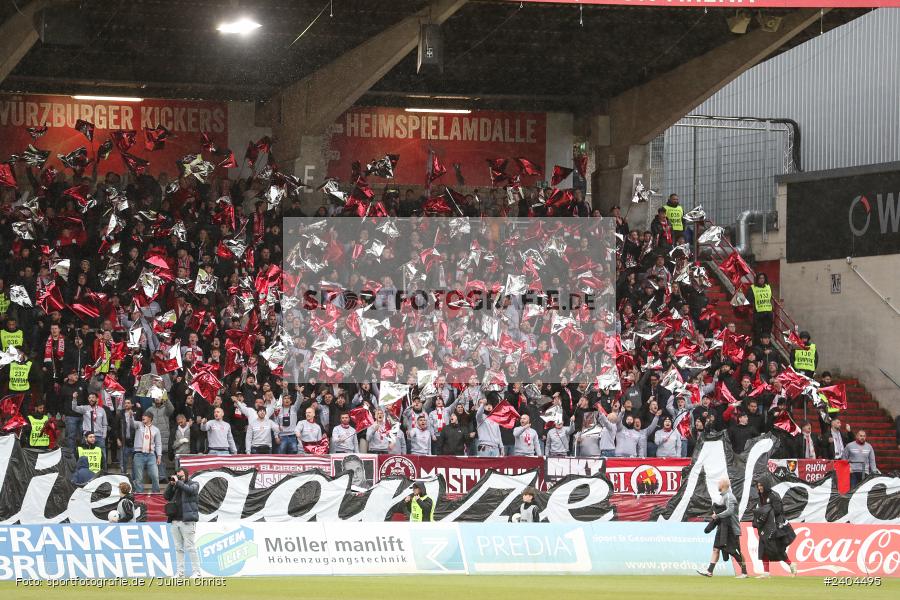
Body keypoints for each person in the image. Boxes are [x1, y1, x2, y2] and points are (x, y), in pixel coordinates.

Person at [697, 477, 748, 578]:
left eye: (719, 483)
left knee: (735, 552)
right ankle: (709, 571)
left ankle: (744, 572)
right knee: (716, 549)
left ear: (723, 485)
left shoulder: (729, 496)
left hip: (732, 529)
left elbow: (730, 511)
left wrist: (717, 516)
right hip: (723, 528)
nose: (717, 485)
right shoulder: (723, 497)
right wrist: (716, 515)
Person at [750, 480, 797, 578]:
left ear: (766, 485)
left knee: (776, 549)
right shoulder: (760, 496)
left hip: (774, 527)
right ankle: (766, 573)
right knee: (763, 548)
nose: (760, 488)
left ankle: (791, 564)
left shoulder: (774, 496)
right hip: (764, 527)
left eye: (761, 485)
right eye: (758, 486)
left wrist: (766, 511)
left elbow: (778, 510)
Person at [164, 467, 201, 579]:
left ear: (186, 474)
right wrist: (171, 484)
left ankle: (197, 573)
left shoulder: (194, 483)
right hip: (175, 520)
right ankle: (180, 573)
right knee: (178, 548)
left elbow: (190, 491)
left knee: (190, 547)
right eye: (177, 476)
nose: (179, 478)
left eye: (181, 476)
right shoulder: (176, 486)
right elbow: (166, 496)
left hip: (187, 521)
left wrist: (178, 482)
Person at [131, 412, 162, 493]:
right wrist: (131, 416)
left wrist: (159, 456)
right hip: (138, 454)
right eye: (143, 415)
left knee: (155, 475)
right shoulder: (138, 425)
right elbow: (132, 424)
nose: (143, 417)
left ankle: (156, 493)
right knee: (139, 477)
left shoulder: (156, 430)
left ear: (150, 418)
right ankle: (139, 494)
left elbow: (158, 444)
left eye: (145, 416)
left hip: (151, 455)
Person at [749, 273, 773, 342]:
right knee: (757, 332)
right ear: (757, 279)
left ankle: (767, 347)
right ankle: (758, 347)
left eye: (763, 278)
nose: (762, 280)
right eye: (760, 278)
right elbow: (749, 299)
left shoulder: (768, 286)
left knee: (767, 332)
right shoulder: (753, 288)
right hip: (758, 313)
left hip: (768, 313)